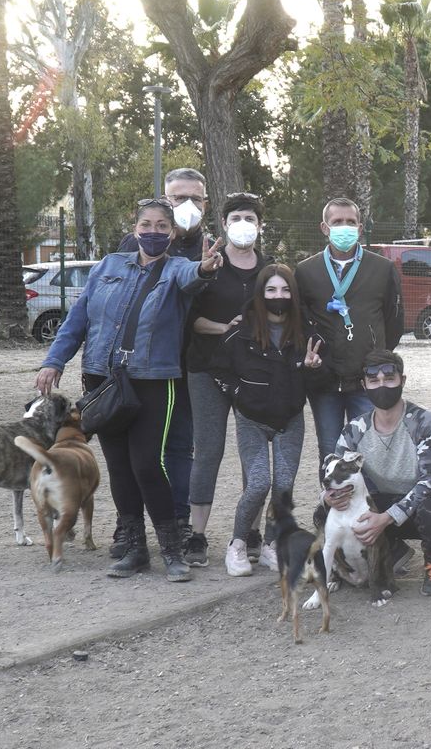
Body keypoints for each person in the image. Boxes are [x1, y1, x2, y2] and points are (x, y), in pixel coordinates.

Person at [35, 198, 223, 581]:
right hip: (103, 380)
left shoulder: (177, 268)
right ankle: (135, 549)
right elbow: (78, 319)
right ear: (134, 228)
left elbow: (194, 276)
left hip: (153, 380)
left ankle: (171, 551)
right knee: (119, 467)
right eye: (146, 225)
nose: (153, 232)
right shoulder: (108, 265)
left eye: (162, 226)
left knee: (147, 464)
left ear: (173, 233)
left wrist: (205, 268)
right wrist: (54, 360)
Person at [113, 167, 208, 562]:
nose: (187, 205)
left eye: (195, 198)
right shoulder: (133, 243)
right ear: (164, 200)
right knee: (133, 450)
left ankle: (179, 520)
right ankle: (129, 524)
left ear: (205, 204)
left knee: (180, 446)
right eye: (178, 198)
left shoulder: (212, 248)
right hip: (140, 368)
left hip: (189, 365)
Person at [211, 263, 324, 576]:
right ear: (261, 293)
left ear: (294, 293)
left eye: (285, 289)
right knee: (259, 482)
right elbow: (218, 369)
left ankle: (271, 545)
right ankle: (237, 543)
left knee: (284, 485)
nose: (279, 296)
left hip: (290, 418)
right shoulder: (241, 331)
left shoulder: (307, 332)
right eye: (271, 290)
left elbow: (320, 375)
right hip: (251, 418)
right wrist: (239, 393)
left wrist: (313, 368)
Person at [320, 349, 431, 596]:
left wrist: (386, 518)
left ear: (402, 381)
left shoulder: (423, 421)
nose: (382, 385)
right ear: (364, 385)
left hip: (423, 504)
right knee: (323, 512)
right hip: (380, 504)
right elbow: (336, 473)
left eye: (389, 378)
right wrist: (328, 498)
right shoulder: (355, 429)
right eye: (373, 380)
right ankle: (391, 550)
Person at [183, 192, 272, 568]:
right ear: (223, 223)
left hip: (253, 374)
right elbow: (191, 320)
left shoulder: (269, 270)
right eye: (236, 218)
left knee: (254, 454)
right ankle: (197, 535)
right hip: (206, 369)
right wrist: (226, 328)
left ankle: (251, 532)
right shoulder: (209, 266)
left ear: (260, 225)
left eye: (250, 218)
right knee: (208, 450)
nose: (243, 224)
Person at [296, 198, 405, 465]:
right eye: (337, 222)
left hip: (367, 379)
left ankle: (370, 497)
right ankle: (333, 495)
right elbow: (301, 320)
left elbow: (394, 320)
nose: (344, 227)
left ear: (360, 228)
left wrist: (376, 354)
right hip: (325, 380)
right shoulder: (306, 271)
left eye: (350, 222)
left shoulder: (382, 269)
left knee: (369, 452)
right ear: (324, 227)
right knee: (330, 452)